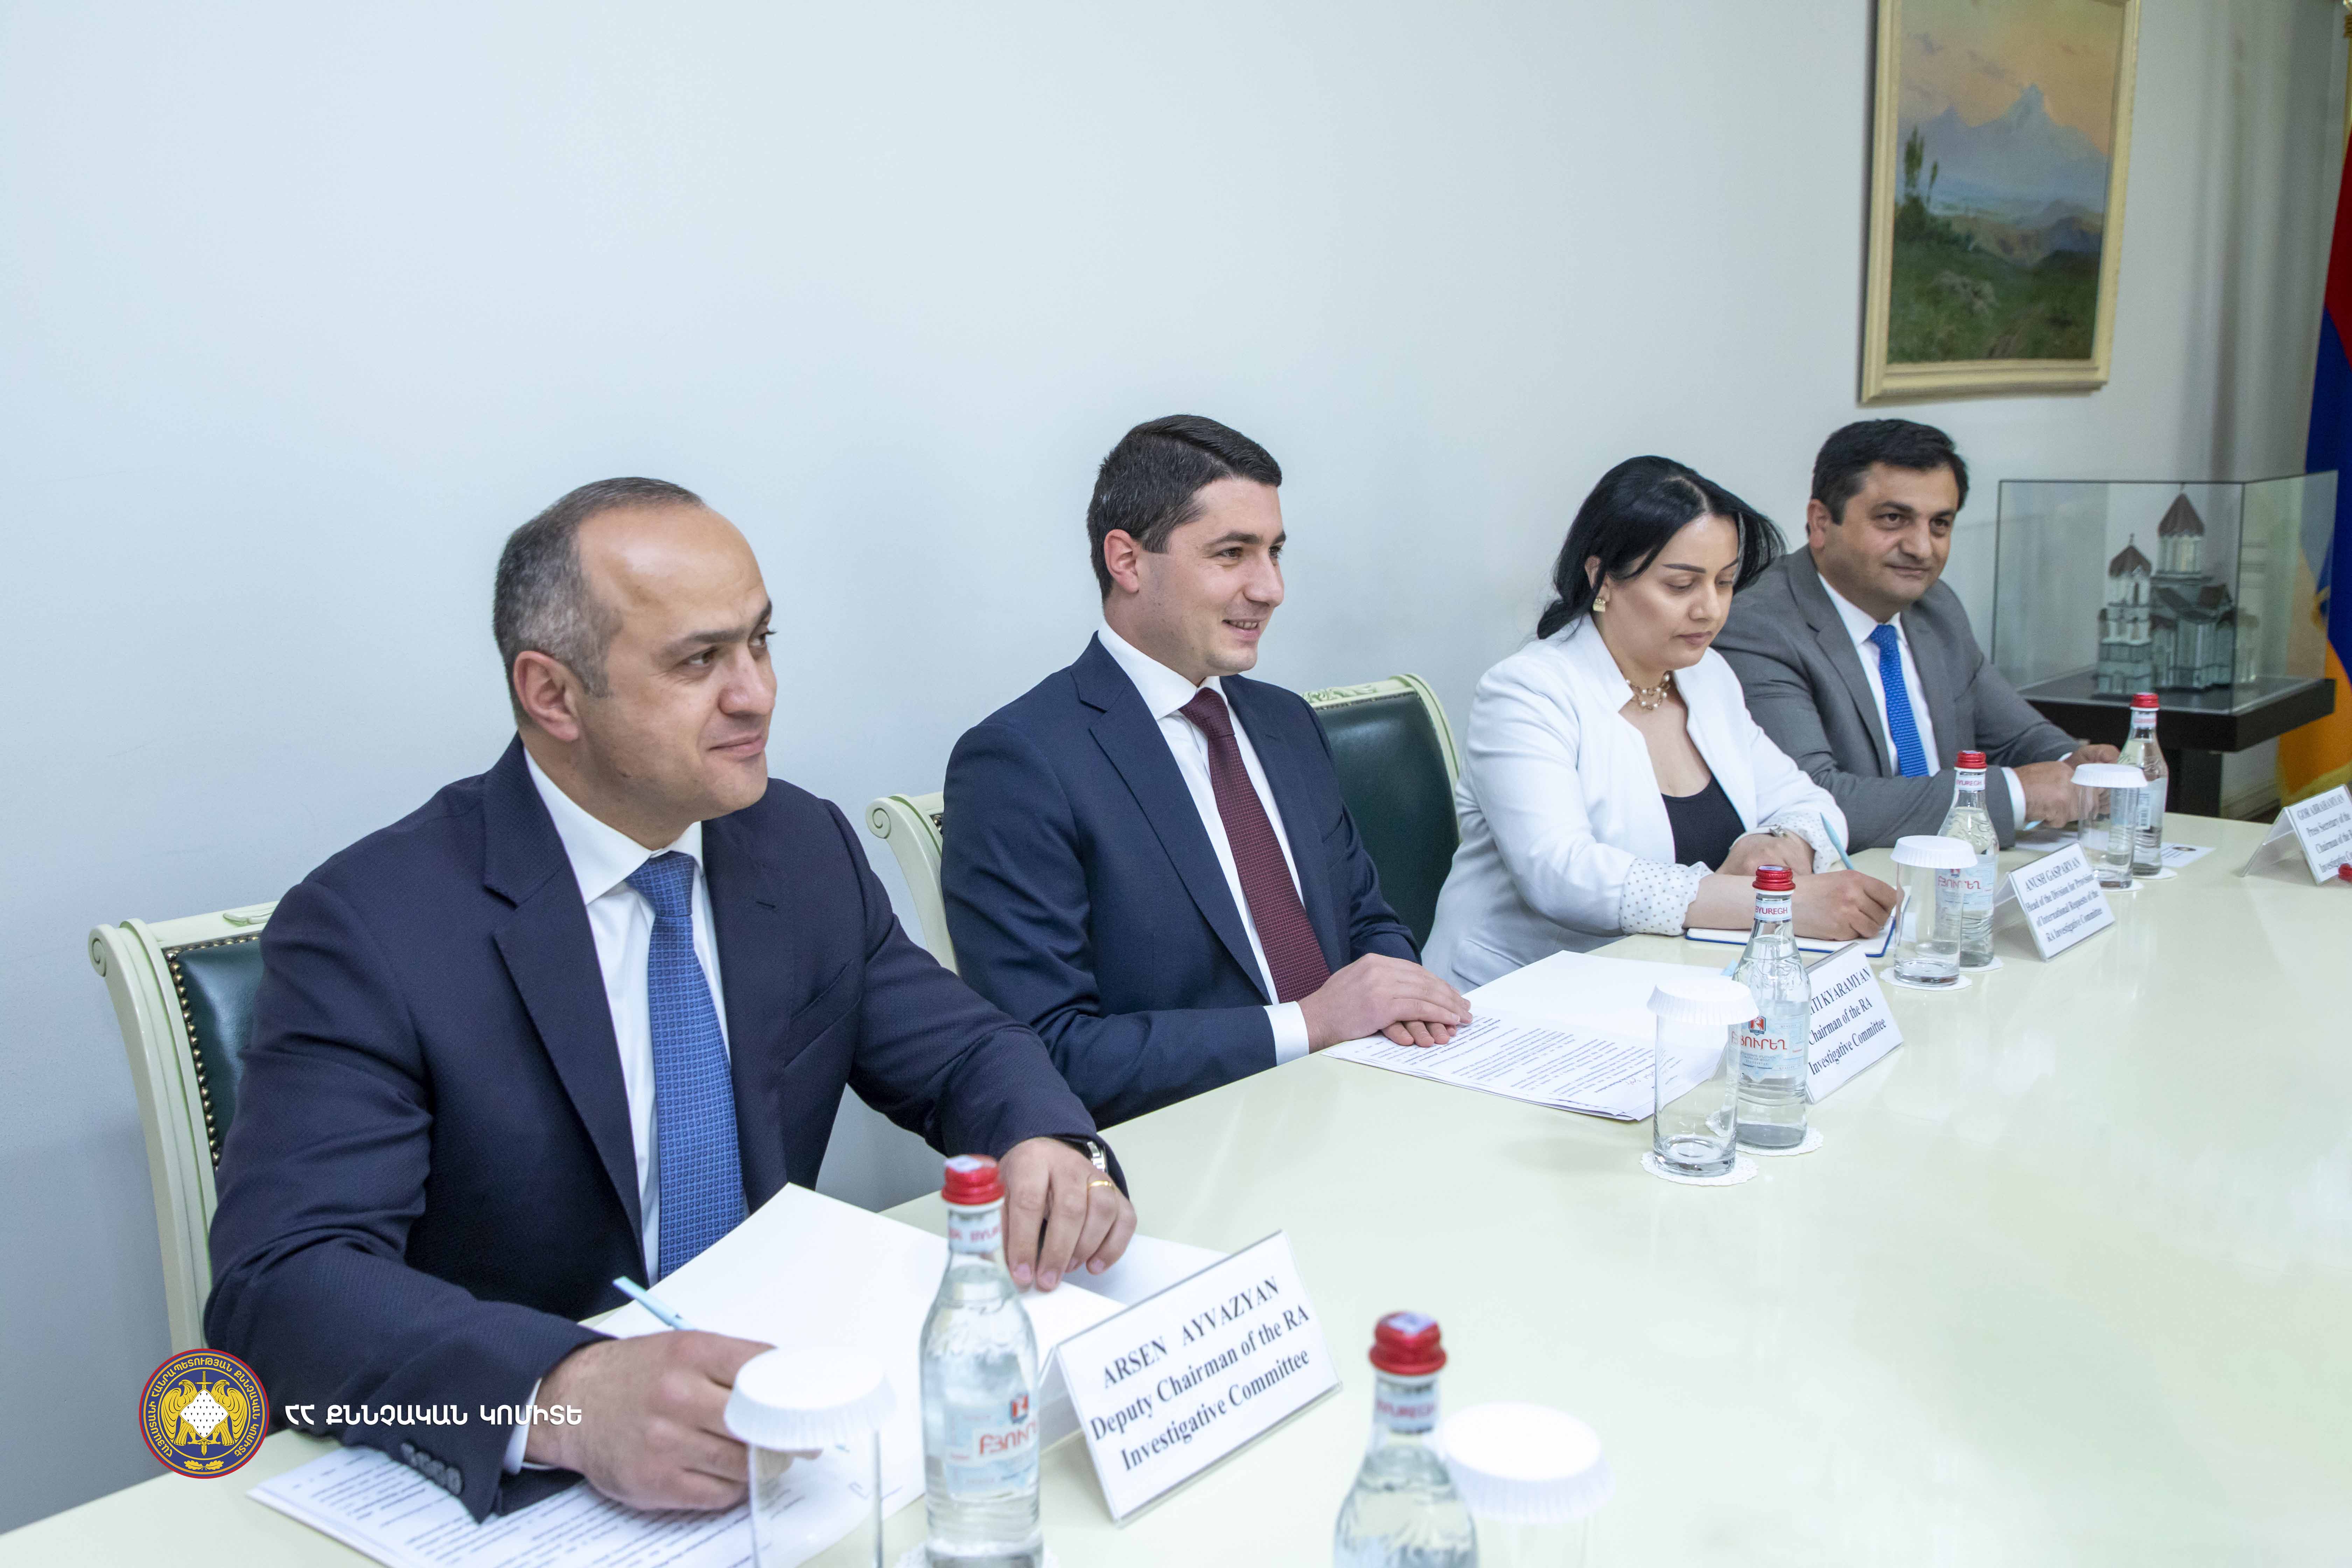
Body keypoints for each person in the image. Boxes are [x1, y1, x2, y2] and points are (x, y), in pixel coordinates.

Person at [206, 479, 1135, 1522]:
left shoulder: (800, 845)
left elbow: (963, 1051)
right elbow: (282, 1282)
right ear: (553, 694)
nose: (757, 694)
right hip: (537, 1494)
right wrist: (561, 1397)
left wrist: (1047, 1141)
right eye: (699, 662)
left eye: (761, 642)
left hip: (790, 1450)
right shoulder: (371, 926)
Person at [940, 415, 1470, 1127]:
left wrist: (1399, 1006)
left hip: (1367, 1100)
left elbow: (1367, 919)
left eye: (1275, 552)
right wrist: (1310, 1024)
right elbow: (1047, 1050)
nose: (1271, 587)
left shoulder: (1287, 723)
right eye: (1232, 554)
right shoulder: (1021, 762)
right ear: (1128, 561)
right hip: (1195, 1139)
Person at [1423, 456, 1897, 989]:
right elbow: (1562, 875)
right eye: (1681, 586)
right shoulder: (1527, 691)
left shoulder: (1707, 676)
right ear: (1602, 577)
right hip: (1519, 992)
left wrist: (1777, 846)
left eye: (1725, 582)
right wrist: (1774, 902)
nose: (1710, 610)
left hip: (1667, 983)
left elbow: (1812, 804)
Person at [1714, 419, 2116, 848]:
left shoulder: (1936, 607)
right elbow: (1815, 801)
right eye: (1893, 519)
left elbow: (2016, 737)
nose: (1922, 549)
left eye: (1940, 524)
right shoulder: (1758, 628)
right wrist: (2017, 795)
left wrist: (2076, 764)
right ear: (1821, 523)